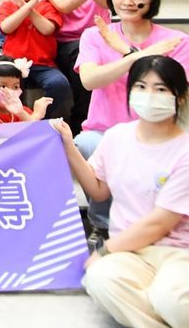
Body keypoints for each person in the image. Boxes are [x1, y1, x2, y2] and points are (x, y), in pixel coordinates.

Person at [52, 56, 189, 328]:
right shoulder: (117, 137)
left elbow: (160, 223)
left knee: (170, 299)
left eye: (161, 89)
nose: (149, 95)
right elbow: (98, 191)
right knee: (101, 280)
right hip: (130, 252)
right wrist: (68, 145)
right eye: (141, 87)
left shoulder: (184, 150)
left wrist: (104, 251)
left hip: (177, 252)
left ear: (180, 97)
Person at [76, 0, 189, 242]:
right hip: (103, 132)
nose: (127, 1)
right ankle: (103, 224)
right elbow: (89, 80)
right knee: (86, 143)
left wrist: (125, 50)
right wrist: (136, 56)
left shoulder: (177, 41)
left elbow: (178, 87)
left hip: (157, 133)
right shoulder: (95, 35)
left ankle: (154, 227)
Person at [42, 0, 132, 132]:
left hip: (103, 37)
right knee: (81, 55)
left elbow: (108, 2)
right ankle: (82, 126)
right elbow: (63, 5)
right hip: (66, 42)